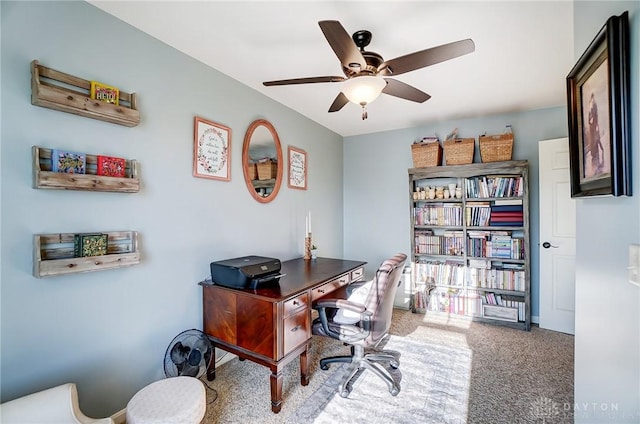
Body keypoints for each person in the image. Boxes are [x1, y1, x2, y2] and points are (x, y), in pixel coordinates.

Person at [588, 92, 604, 175]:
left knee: (596, 147)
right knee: (595, 148)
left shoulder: (593, 107)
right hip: (593, 130)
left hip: (594, 130)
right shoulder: (592, 108)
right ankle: (596, 165)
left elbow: (594, 117)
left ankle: (598, 164)